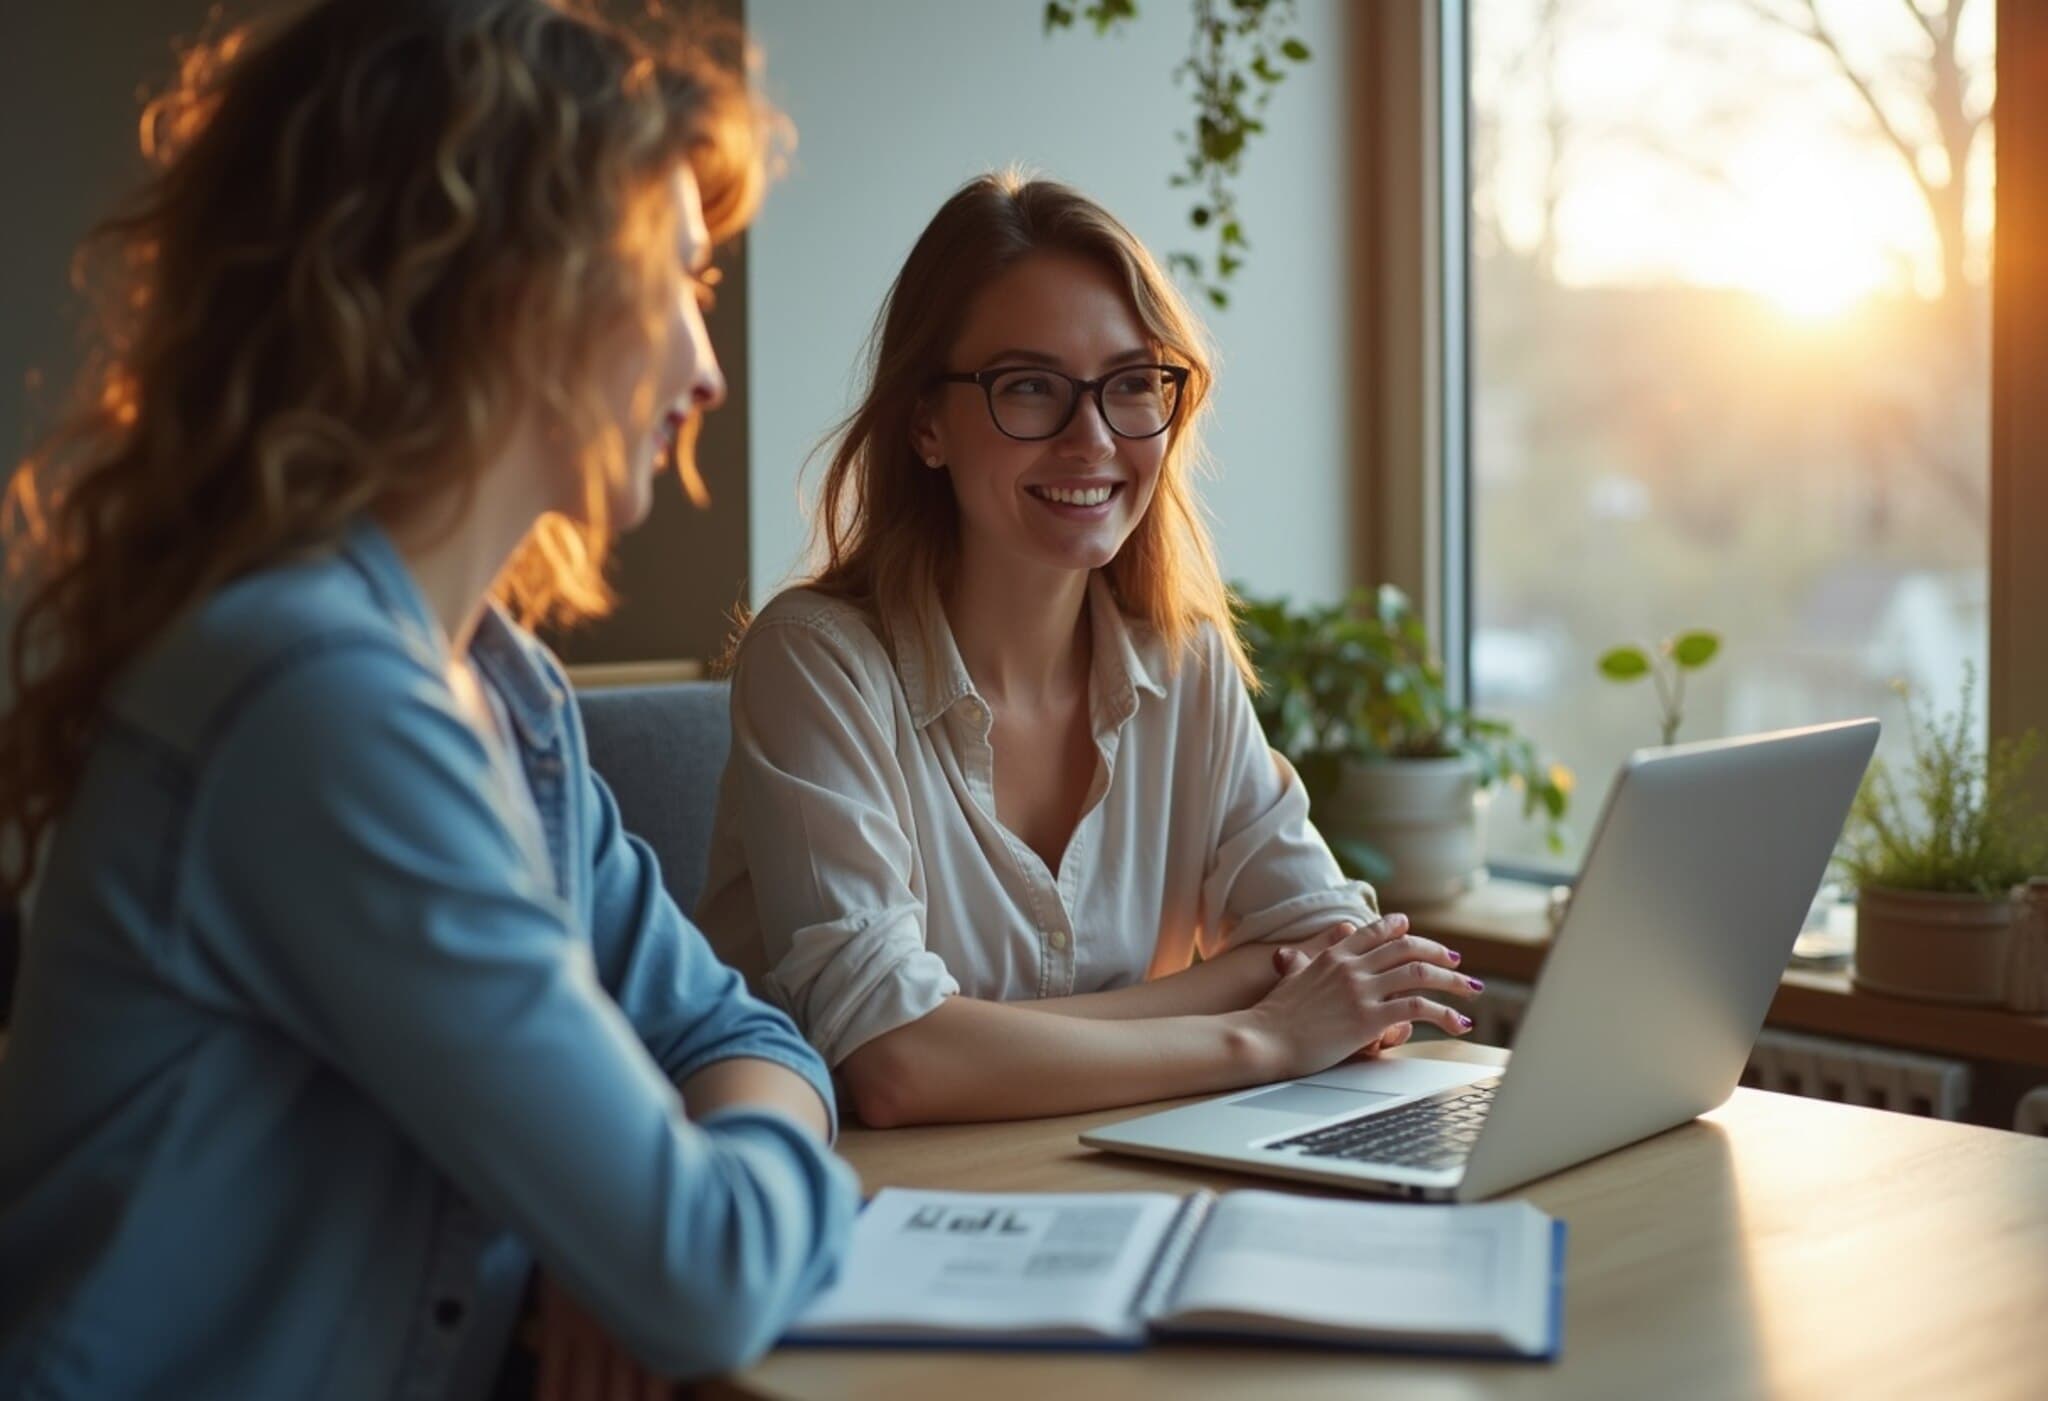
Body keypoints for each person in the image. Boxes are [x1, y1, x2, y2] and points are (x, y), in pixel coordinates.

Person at [0, 3, 856, 1397]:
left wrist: (640, 1207)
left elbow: (742, 1036)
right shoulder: (313, 701)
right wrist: (658, 1214)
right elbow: (699, 1272)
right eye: (679, 284)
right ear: (514, 282)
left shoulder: (505, 694)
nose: (708, 371)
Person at [697, 173, 1481, 1129]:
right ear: (926, 424)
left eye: (1130, 384)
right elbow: (896, 1063)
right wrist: (1263, 1032)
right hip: (869, 1220)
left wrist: (989, 1038)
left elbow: (1339, 951)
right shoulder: (816, 665)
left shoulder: (1182, 663)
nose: (1093, 438)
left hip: (1107, 1179)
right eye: (1029, 387)